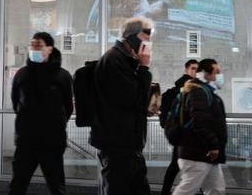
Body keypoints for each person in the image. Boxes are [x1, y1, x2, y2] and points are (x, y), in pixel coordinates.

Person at [90, 16, 154, 195]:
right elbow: (133, 99)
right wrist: (144, 69)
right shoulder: (114, 60)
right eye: (145, 39)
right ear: (133, 37)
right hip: (117, 143)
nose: (147, 45)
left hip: (129, 144)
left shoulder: (125, 60)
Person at [8, 32, 73, 195]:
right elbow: (16, 102)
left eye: (39, 45)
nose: (34, 48)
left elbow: (68, 107)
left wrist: (55, 122)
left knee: (56, 185)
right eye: (32, 45)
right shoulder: (22, 74)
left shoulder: (62, 76)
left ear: (50, 49)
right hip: (26, 139)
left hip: (52, 140)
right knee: (18, 184)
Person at [173, 59, 227, 195]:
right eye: (217, 72)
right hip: (197, 152)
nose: (220, 76)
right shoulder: (198, 92)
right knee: (187, 190)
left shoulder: (204, 91)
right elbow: (200, 121)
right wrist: (212, 145)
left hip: (206, 154)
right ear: (206, 74)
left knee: (216, 189)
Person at [159, 59, 198, 195]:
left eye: (197, 69)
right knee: (189, 166)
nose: (195, 71)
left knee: (178, 165)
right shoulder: (183, 90)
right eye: (193, 68)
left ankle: (166, 191)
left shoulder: (188, 89)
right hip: (185, 133)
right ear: (186, 70)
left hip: (182, 133)